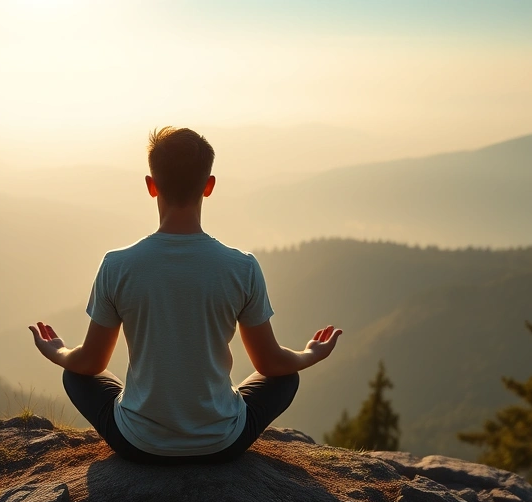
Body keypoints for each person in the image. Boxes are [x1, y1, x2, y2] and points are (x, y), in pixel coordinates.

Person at [29, 127, 341, 464]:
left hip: (138, 444)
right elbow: (269, 364)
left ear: (151, 186)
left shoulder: (117, 265)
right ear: (209, 186)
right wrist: (310, 354)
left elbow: (90, 363)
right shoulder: (242, 268)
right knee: (286, 377)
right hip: (222, 444)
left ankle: (143, 417)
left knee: (74, 374)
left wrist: (58, 351)